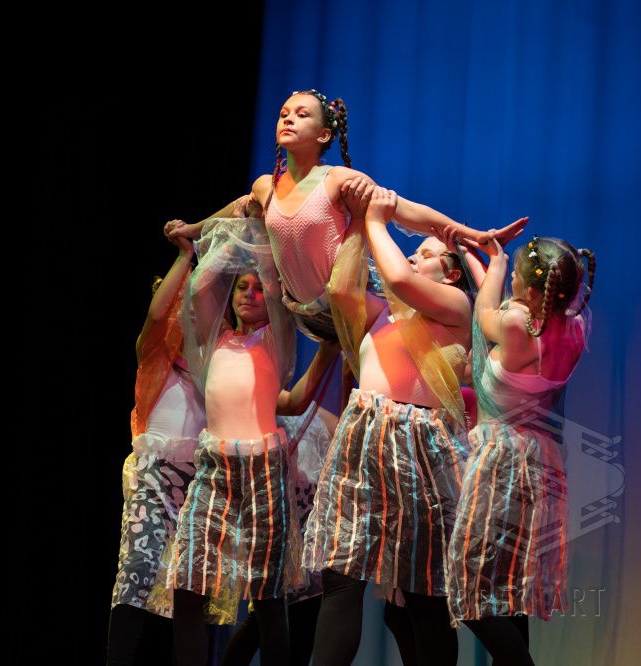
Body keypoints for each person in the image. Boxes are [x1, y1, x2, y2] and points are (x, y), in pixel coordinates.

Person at [167, 87, 527, 376]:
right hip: (306, 313)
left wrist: (474, 234)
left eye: (301, 115)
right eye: (284, 114)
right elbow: (236, 210)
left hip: (356, 301)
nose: (288, 118)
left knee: (389, 373)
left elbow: (405, 210)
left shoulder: (339, 180)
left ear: (324, 134)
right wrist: (192, 229)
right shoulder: (267, 186)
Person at [304, 183, 477, 666]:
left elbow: (398, 277)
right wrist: (358, 223)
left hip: (417, 447)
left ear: (451, 272)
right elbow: (341, 289)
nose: (413, 257)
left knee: (421, 591)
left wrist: (378, 218)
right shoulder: (385, 315)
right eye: (414, 251)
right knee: (342, 576)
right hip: (364, 438)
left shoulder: (456, 307)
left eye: (426, 253)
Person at [167, 215, 342, 666]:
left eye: (258, 289)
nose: (250, 293)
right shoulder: (216, 341)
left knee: (267, 594)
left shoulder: (274, 341)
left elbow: (274, 282)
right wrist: (232, 237)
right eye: (242, 287)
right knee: (188, 583)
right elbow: (200, 285)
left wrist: (262, 226)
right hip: (214, 468)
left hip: (263, 469)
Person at [444, 232, 595, 666]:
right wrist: (482, 263)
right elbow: (499, 306)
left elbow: (485, 314)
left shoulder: (515, 326)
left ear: (531, 291)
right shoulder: (574, 329)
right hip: (541, 461)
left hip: (502, 459)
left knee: (469, 584)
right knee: (510, 588)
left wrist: (496, 263)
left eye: (515, 279)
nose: (510, 282)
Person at [106, 227, 206, 665]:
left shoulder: (215, 367)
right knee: (136, 573)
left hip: (200, 484)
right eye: (181, 306)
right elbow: (156, 313)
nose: (184, 316)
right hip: (154, 477)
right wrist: (185, 257)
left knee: (190, 590)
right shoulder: (155, 358)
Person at [220, 401, 341, 666]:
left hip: (308, 528)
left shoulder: (313, 413)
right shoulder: (262, 410)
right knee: (264, 618)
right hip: (277, 524)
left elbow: (342, 435)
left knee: (302, 616)